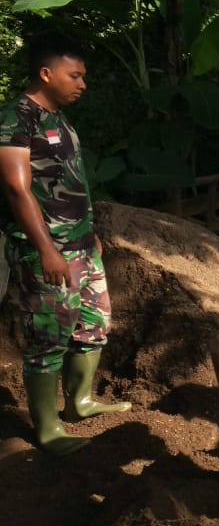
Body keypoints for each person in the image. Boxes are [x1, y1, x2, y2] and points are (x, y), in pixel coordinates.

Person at [0, 34, 131, 456]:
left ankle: (80, 401)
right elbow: (17, 190)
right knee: (50, 336)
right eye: (74, 75)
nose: (82, 83)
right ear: (46, 73)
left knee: (93, 324)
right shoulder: (16, 119)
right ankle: (47, 429)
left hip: (81, 246)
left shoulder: (58, 118)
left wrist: (88, 241)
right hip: (45, 249)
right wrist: (47, 250)